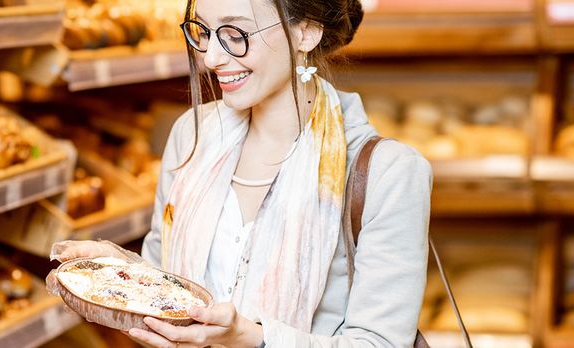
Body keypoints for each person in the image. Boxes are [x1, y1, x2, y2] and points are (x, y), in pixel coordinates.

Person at [48, 0, 432, 346]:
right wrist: (119, 273)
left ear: (306, 31)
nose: (212, 57)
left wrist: (252, 339)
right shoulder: (192, 135)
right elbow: (173, 284)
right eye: (204, 31)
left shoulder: (388, 173)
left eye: (236, 33)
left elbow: (379, 343)